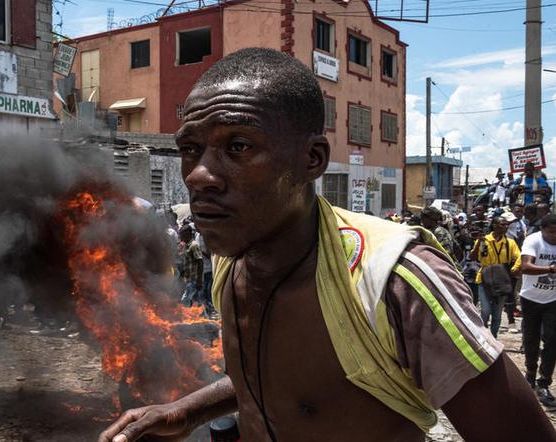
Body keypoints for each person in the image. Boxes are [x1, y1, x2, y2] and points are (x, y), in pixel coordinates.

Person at [99, 48, 555, 442]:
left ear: (311, 160)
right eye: (190, 149)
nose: (199, 175)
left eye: (237, 146)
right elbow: (275, 381)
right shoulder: (233, 260)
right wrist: (185, 411)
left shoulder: (394, 280)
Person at [518, 213, 556, 407]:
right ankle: (530, 373)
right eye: (551, 232)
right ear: (543, 230)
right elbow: (525, 266)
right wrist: (550, 270)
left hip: (553, 300)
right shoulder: (533, 240)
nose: (554, 236)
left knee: (552, 340)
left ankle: (544, 382)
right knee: (530, 339)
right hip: (531, 298)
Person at [470, 216, 520, 337]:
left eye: (506, 224)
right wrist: (479, 243)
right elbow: (474, 257)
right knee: (485, 310)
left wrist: (514, 269)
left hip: (502, 280)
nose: (506, 226)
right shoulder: (484, 240)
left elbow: (519, 257)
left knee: (497, 313)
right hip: (485, 278)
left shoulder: (510, 243)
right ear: (494, 226)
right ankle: (483, 334)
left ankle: (493, 336)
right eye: (502, 224)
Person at [178, 224, 203, 308]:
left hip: (194, 279)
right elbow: (188, 262)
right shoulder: (186, 245)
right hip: (189, 279)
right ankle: (203, 317)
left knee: (185, 300)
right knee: (196, 301)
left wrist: (199, 280)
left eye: (182, 235)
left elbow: (200, 262)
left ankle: (183, 318)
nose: (180, 237)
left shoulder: (194, 245)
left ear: (188, 234)